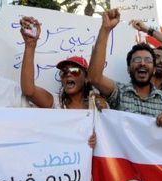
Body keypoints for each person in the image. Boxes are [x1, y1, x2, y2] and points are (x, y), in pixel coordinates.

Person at [19, 16, 105, 147]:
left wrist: (99, 139)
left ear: (87, 78)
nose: (68, 74)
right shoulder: (55, 102)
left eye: (75, 70)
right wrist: (30, 45)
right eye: (64, 72)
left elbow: (110, 139)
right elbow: (28, 90)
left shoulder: (98, 105)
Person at [88, 9, 162, 127]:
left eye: (148, 60)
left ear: (154, 69)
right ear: (129, 68)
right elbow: (95, 78)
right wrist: (105, 29)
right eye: (137, 60)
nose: (142, 64)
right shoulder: (119, 92)